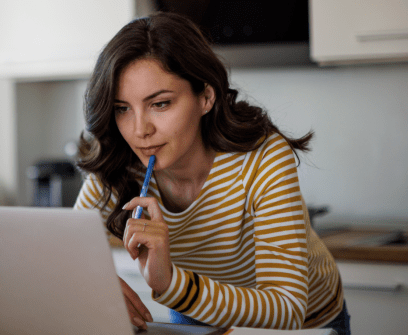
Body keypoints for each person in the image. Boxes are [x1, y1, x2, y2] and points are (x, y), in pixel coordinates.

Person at [73, 12, 350, 335]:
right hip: (197, 315)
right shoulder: (119, 161)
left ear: (205, 96)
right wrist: (97, 286)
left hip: (306, 324)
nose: (139, 131)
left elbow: (287, 308)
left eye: (160, 104)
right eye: (122, 109)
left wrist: (172, 283)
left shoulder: (262, 156)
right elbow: (65, 255)